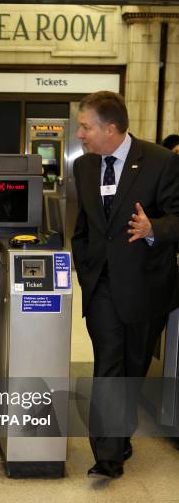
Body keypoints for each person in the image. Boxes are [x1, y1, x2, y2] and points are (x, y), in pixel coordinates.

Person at [72, 90, 179, 479]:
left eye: (85, 127)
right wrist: (86, 271)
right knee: (109, 364)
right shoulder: (83, 168)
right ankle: (108, 454)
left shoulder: (161, 162)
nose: (79, 134)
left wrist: (155, 229)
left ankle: (120, 435)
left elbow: (177, 217)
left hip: (146, 285)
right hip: (101, 285)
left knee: (133, 365)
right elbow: (82, 228)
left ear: (111, 127)